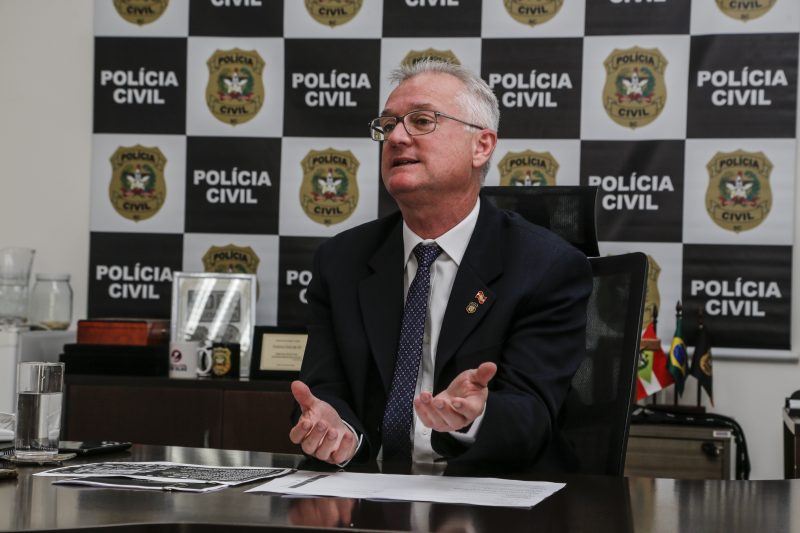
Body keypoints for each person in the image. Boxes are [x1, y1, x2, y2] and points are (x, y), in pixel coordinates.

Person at [289, 59, 592, 470]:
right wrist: (336, 429)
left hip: (489, 496)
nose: (396, 137)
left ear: (481, 145)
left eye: (421, 120)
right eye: (388, 124)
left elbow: (532, 415)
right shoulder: (341, 261)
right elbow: (323, 390)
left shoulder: (547, 266)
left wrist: (472, 417)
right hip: (366, 492)